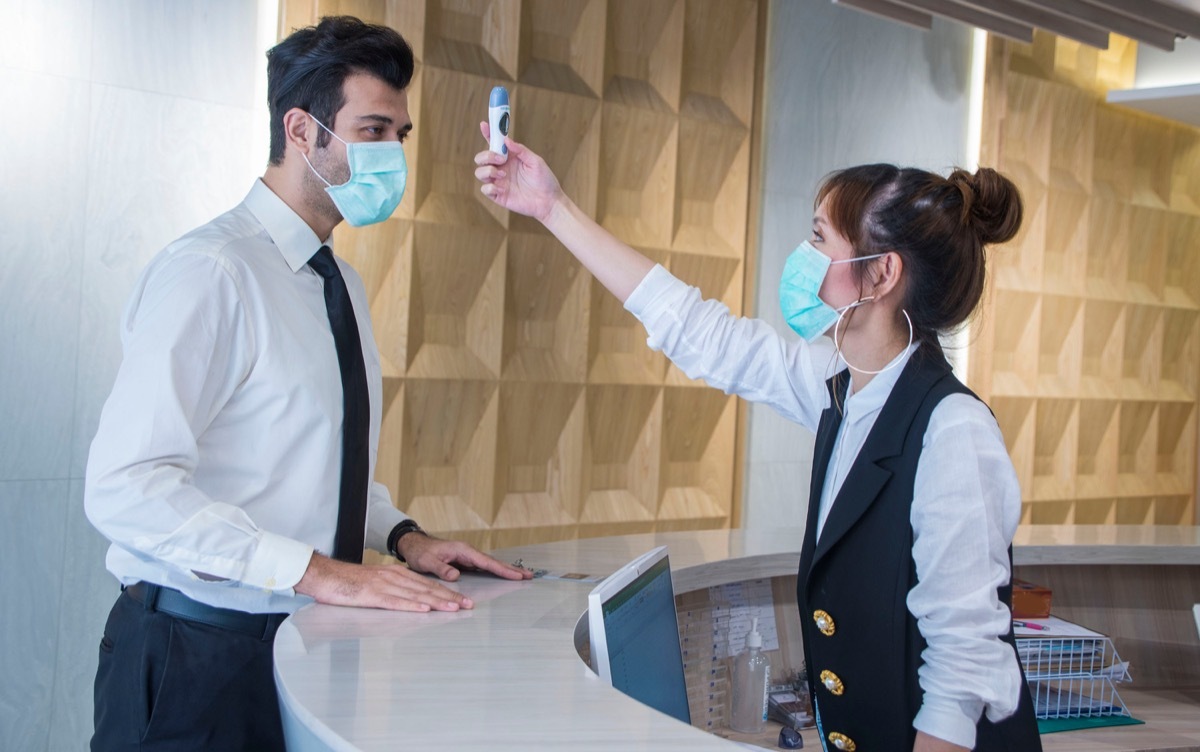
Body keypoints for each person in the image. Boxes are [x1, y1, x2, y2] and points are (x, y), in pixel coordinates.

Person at [474, 131, 1042, 751]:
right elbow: (699, 332)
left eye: (820, 238)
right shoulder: (844, 389)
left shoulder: (952, 430)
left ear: (880, 273)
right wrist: (554, 208)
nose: (802, 255)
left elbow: (962, 671)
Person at [85, 17, 531, 752]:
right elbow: (125, 486)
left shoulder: (339, 283)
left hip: (294, 650)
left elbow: (310, 463)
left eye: (401, 135)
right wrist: (324, 575)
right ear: (302, 130)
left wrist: (402, 537)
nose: (393, 155)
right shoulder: (212, 272)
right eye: (374, 129)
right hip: (192, 660)